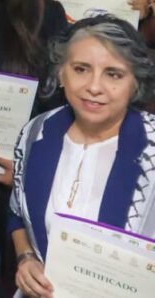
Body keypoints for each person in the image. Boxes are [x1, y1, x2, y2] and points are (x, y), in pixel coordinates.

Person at [9, 15, 155, 298]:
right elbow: (17, 214)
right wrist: (25, 257)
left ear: (135, 83)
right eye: (81, 69)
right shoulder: (36, 134)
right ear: (61, 74)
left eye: (113, 74)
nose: (94, 86)